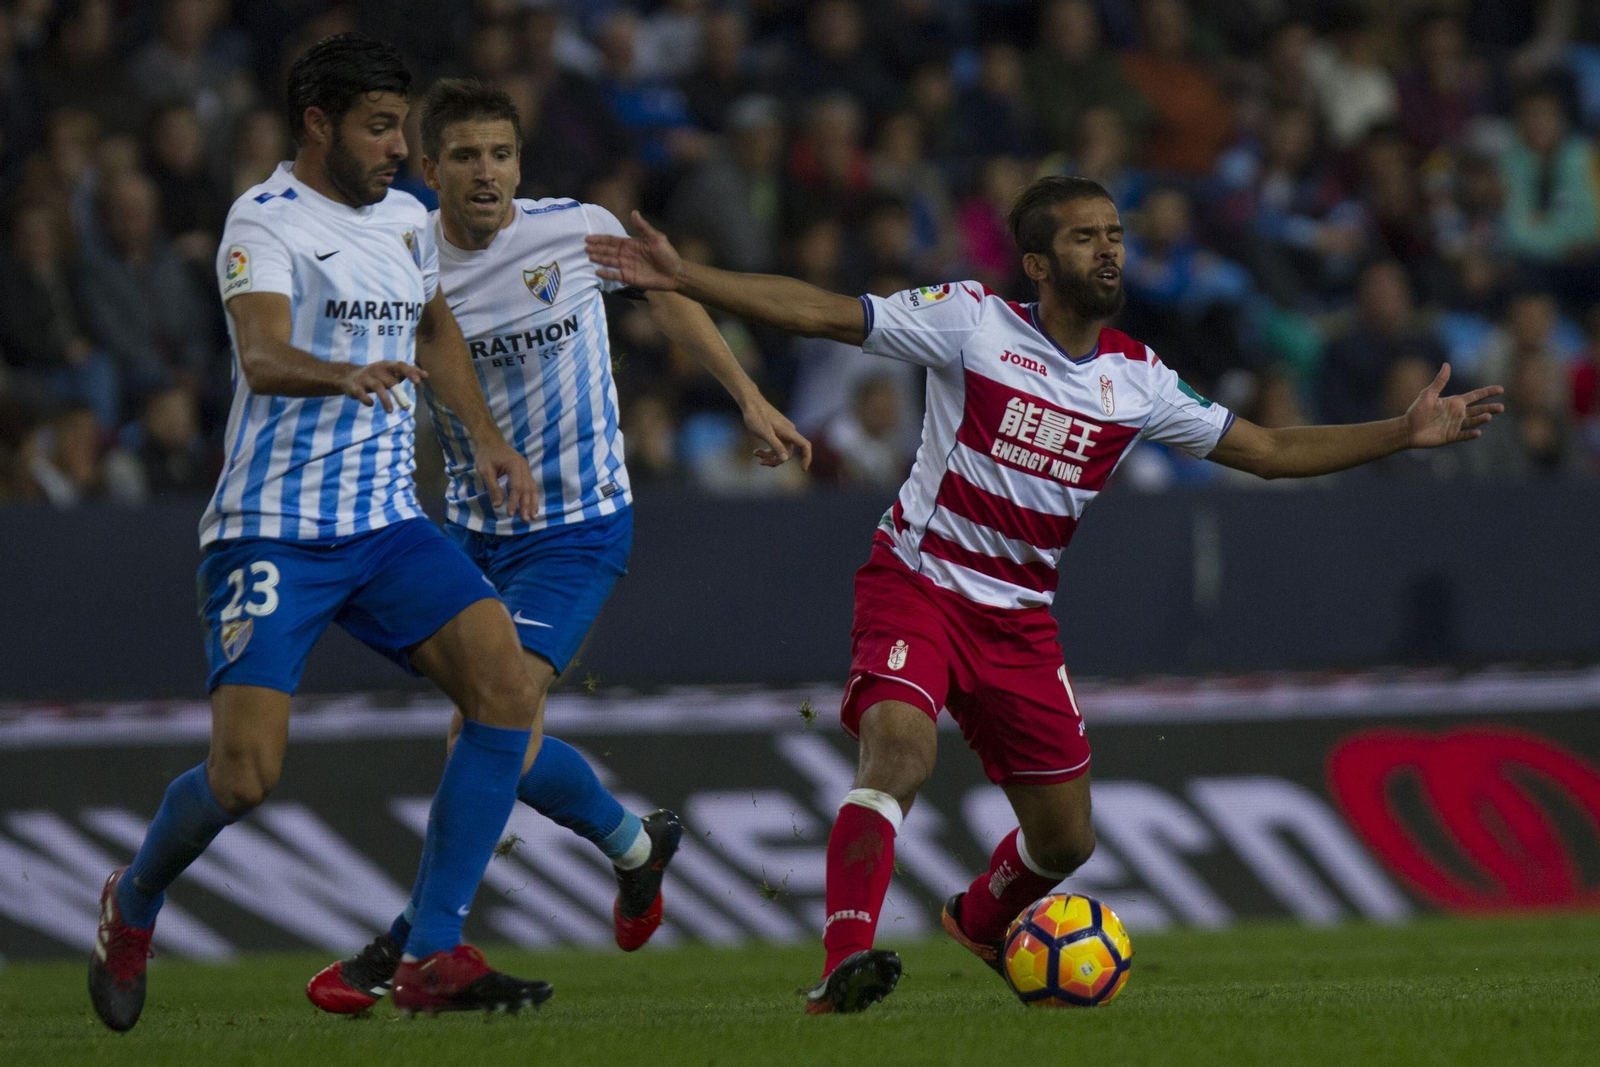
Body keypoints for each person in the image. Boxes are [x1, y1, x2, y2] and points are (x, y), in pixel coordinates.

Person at [587, 175, 1505, 1014]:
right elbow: (828, 313)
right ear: (1037, 262)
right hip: (919, 583)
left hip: (1019, 619)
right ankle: (844, 961)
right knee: (898, 754)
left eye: (1114, 234)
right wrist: (690, 276)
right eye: (1083, 238)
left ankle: (982, 918)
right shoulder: (972, 322)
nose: (1108, 249)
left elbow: (1265, 451)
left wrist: (1401, 432)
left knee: (1066, 843)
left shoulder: (1136, 379)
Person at [304, 78, 810, 1015]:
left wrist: (747, 395)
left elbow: (666, 294)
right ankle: (634, 844)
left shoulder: (574, 228)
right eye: (464, 156)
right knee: (505, 738)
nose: (486, 171)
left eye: (500, 153)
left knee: (488, 722)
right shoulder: (401, 254)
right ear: (431, 170)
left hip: (578, 527)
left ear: (519, 164)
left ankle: (414, 944)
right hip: (466, 532)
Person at [88, 34, 553, 1031]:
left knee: (507, 684)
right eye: (380, 128)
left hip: (386, 524)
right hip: (273, 533)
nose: (401, 147)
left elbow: (433, 328)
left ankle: (432, 946)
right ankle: (132, 901)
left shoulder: (408, 219)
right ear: (317, 124)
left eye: (404, 126)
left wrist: (484, 437)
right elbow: (258, 352)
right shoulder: (264, 220)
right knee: (245, 775)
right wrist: (340, 372)